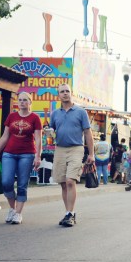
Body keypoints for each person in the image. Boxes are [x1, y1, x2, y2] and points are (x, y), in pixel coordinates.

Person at [0, 92, 42, 225]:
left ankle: (18, 213)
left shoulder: (35, 118)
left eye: (25, 100)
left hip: (27, 154)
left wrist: (38, 156)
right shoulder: (12, 116)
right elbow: (5, 136)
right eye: (20, 100)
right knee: (6, 182)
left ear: (30, 102)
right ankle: (12, 209)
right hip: (9, 153)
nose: (22, 102)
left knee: (22, 184)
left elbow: (38, 138)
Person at [47, 84, 94, 227]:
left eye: (67, 91)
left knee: (70, 181)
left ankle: (71, 214)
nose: (65, 93)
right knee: (62, 183)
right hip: (60, 149)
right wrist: (48, 133)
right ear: (59, 95)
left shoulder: (80, 112)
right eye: (62, 92)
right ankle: (68, 212)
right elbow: (51, 132)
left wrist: (91, 154)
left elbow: (87, 133)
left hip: (76, 149)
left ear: (71, 93)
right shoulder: (55, 114)